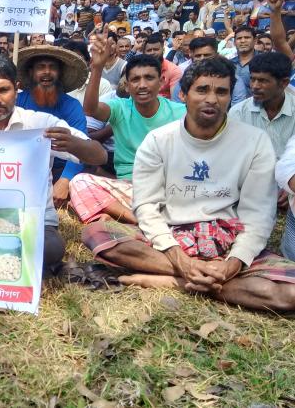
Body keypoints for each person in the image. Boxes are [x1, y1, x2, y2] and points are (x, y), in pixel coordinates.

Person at [82, 57, 295, 312]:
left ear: (231, 96)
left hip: (227, 241)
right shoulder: (159, 140)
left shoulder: (255, 142)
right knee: (96, 233)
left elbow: (259, 213)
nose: (212, 99)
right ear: (183, 94)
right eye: (202, 90)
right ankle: (199, 277)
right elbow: (147, 206)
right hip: (171, 237)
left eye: (221, 91)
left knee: (291, 294)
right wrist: (182, 259)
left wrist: (234, 263)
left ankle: (175, 282)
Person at [0, 55, 106, 272]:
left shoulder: (41, 125)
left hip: (35, 223)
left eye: (3, 90)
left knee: (49, 250)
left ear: (16, 89)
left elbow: (100, 156)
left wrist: (73, 143)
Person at [71, 37, 187, 224]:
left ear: (161, 81)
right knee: (79, 182)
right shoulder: (120, 108)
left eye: (149, 78)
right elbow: (90, 109)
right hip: (128, 189)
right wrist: (97, 68)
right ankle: (139, 220)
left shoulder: (180, 113)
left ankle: (138, 218)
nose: (142, 85)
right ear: (128, 84)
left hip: (167, 190)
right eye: (135, 79)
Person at [15, 45, 90, 204]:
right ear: (31, 73)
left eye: (52, 68)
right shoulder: (17, 101)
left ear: (60, 73)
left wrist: (65, 180)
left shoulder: (72, 106)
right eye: (41, 67)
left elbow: (82, 146)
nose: (47, 72)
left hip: (61, 170)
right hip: (22, 169)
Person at [229, 52, 295, 157]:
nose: (254, 86)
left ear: (284, 83)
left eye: (263, 81)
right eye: (252, 79)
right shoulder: (238, 113)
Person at [142, 33, 182, 98]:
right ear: (144, 52)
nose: (152, 53)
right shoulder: (138, 69)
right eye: (149, 50)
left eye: (156, 49)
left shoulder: (173, 70)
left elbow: (175, 100)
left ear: (163, 50)